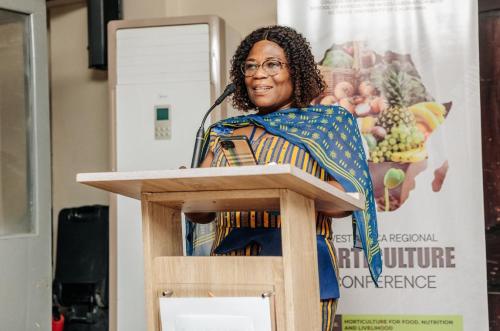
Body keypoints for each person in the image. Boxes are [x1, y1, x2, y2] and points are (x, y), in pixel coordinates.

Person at [188, 25, 382, 330]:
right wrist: (190, 187)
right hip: (231, 269)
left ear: (297, 71)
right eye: (250, 66)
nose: (258, 74)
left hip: (300, 269)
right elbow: (200, 213)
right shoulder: (224, 131)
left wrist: (285, 189)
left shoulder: (327, 124)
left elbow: (347, 201)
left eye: (272, 65)